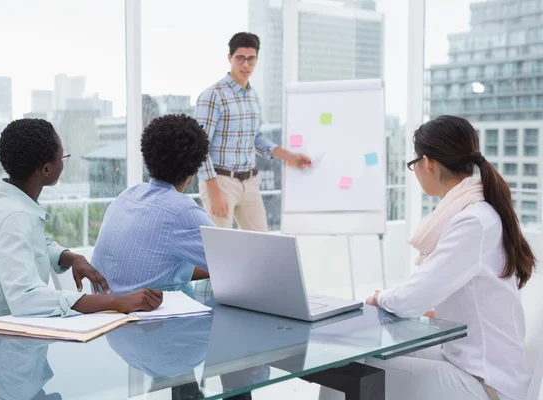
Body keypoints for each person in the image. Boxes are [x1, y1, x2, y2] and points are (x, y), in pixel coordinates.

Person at [339, 115, 533, 400]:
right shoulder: (479, 212)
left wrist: (380, 298)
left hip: (485, 380)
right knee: (368, 355)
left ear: (427, 162)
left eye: (414, 163)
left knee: (351, 367)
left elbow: (417, 295)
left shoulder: (472, 221)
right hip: (472, 359)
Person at [0, 118, 163, 318]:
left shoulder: (7, 199)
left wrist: (72, 257)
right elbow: (27, 299)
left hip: (4, 327)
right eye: (62, 157)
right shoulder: (15, 216)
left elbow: (33, 244)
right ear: (46, 169)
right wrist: (117, 301)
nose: (64, 162)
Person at [195, 32, 311, 231]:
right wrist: (214, 191)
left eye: (251, 59)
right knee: (220, 249)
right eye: (240, 58)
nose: (246, 65)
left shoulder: (253, 97)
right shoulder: (212, 96)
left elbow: (256, 138)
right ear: (230, 57)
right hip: (221, 182)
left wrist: (291, 156)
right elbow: (199, 146)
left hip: (249, 183)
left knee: (260, 244)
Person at [91, 114, 215, 293]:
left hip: (108, 313)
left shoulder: (126, 196)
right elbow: (233, 264)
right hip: (158, 317)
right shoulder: (182, 211)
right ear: (194, 170)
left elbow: (156, 268)